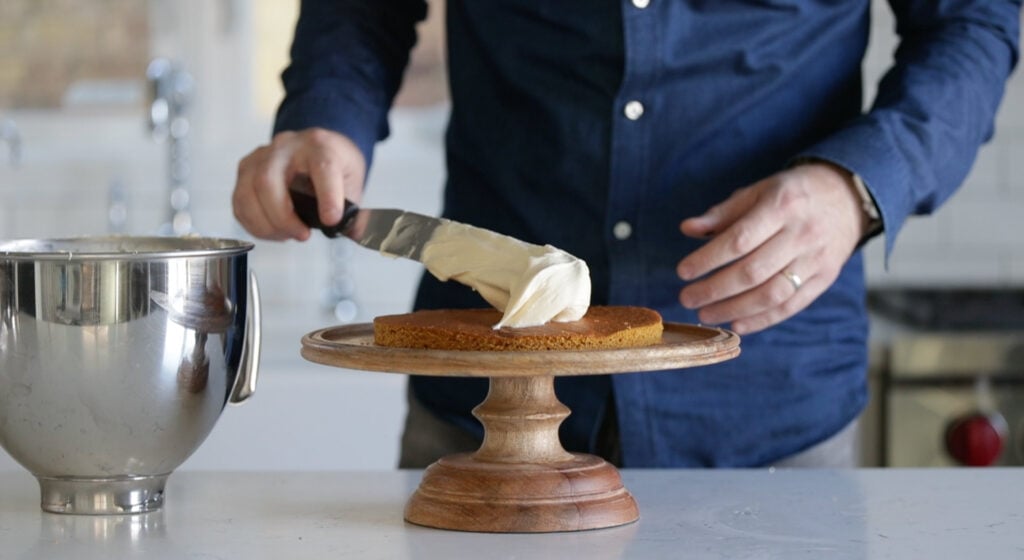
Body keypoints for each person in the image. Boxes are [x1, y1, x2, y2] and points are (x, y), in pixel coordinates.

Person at [233, 1, 1021, 468]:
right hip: (479, 408)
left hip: (768, 409)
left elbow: (974, 21)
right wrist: (323, 117)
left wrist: (856, 187)